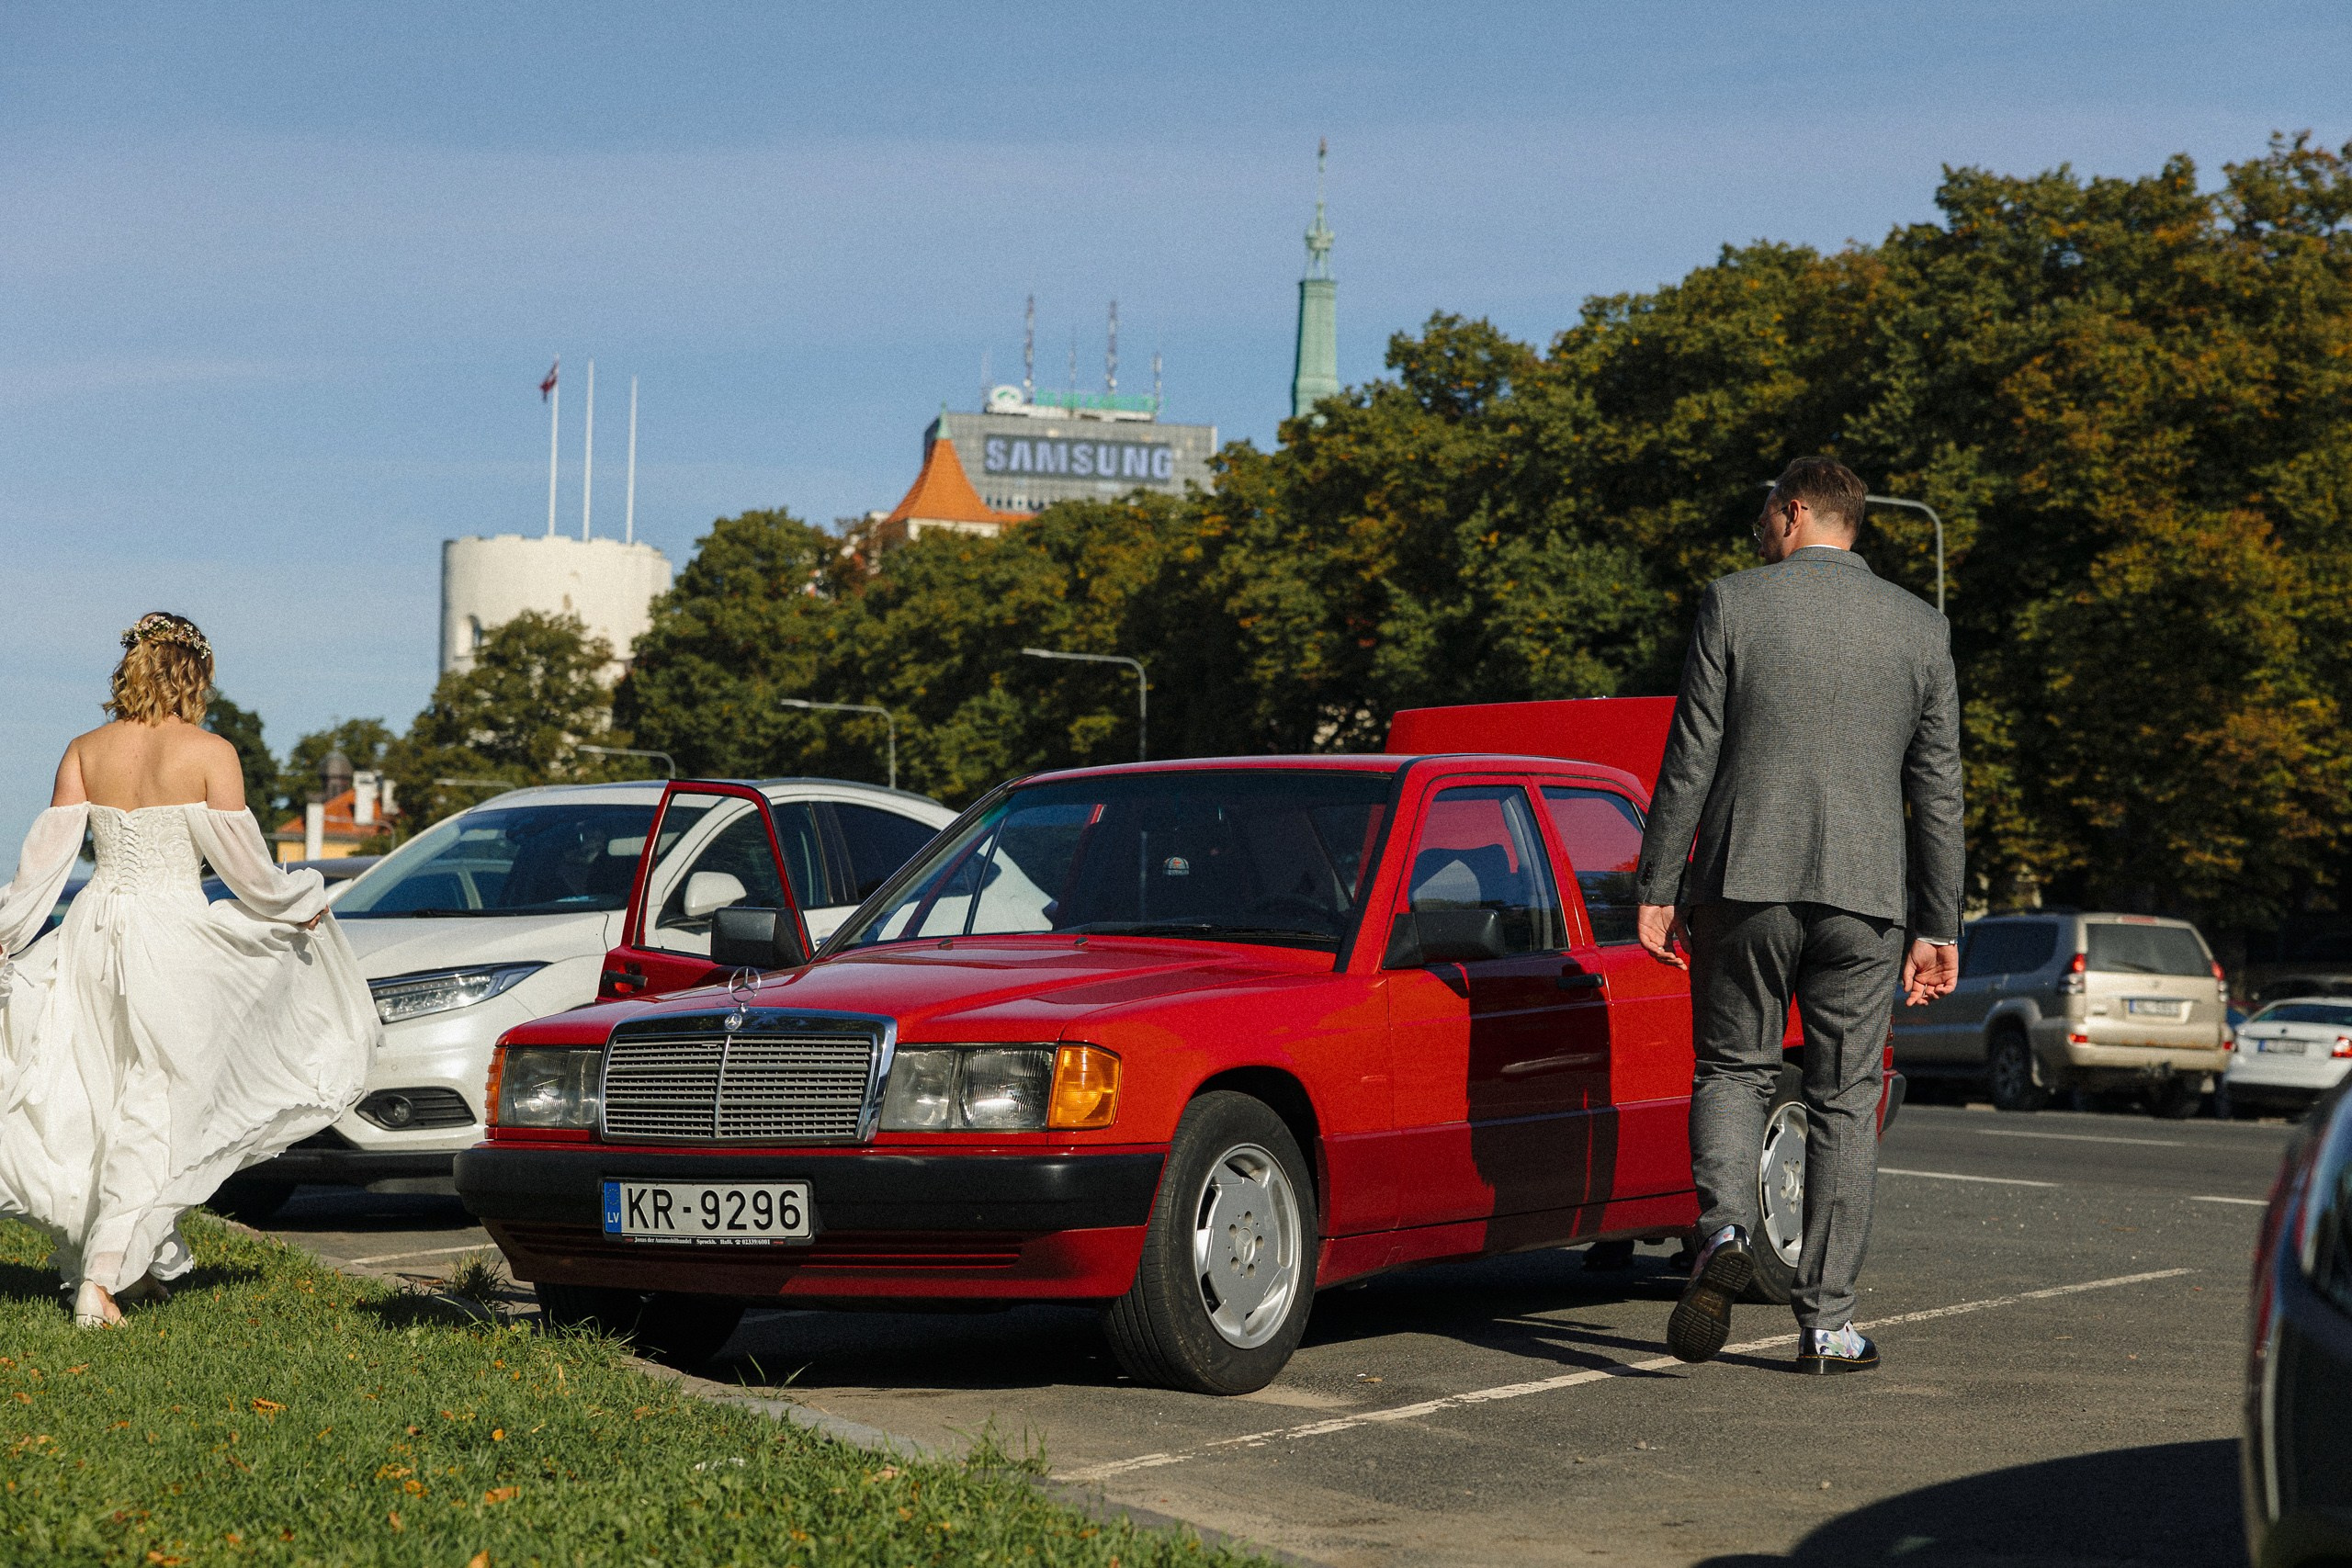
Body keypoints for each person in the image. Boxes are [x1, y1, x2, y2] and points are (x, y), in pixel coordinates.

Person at [1634, 459, 1962, 1375]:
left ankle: (1724, 1229)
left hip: (1744, 878)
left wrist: (1658, 883)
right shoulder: (1920, 627)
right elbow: (1938, 790)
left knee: (1733, 1069)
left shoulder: (1733, 606)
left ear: (1791, 510)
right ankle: (1826, 1324)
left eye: (1763, 514)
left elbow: (1691, 751)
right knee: (1844, 1103)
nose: (1758, 531)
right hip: (1868, 900)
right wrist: (1941, 925)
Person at [0, 613, 377, 1328]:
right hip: (172, 935)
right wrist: (302, 902)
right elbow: (248, 873)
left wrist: (8, 931)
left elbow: (42, 868)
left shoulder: (84, 748)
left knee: (102, 1096)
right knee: (160, 1103)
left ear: (134, 667)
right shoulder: (210, 752)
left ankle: (121, 1264)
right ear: (193, 674)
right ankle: (102, 1278)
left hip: (93, 933)